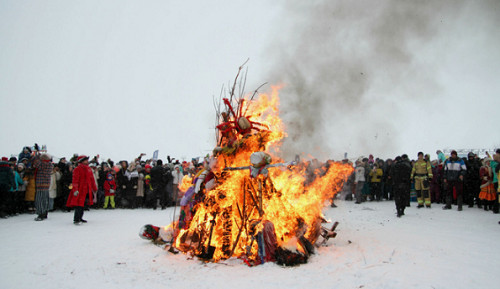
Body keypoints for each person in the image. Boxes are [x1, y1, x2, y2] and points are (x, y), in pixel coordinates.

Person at [66, 155, 97, 225]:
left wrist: (94, 188)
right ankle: (76, 219)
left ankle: (80, 217)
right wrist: (75, 189)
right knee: (78, 205)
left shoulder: (89, 169)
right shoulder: (77, 169)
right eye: (85, 160)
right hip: (80, 189)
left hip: (86, 189)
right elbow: (75, 180)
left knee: (82, 204)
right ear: (82, 161)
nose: (87, 161)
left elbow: (92, 179)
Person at [32, 153, 54, 221]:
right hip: (46, 184)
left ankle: (41, 213)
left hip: (40, 184)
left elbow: (35, 161)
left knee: (39, 200)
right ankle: (45, 213)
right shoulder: (50, 164)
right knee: (45, 199)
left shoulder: (43, 164)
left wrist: (36, 154)